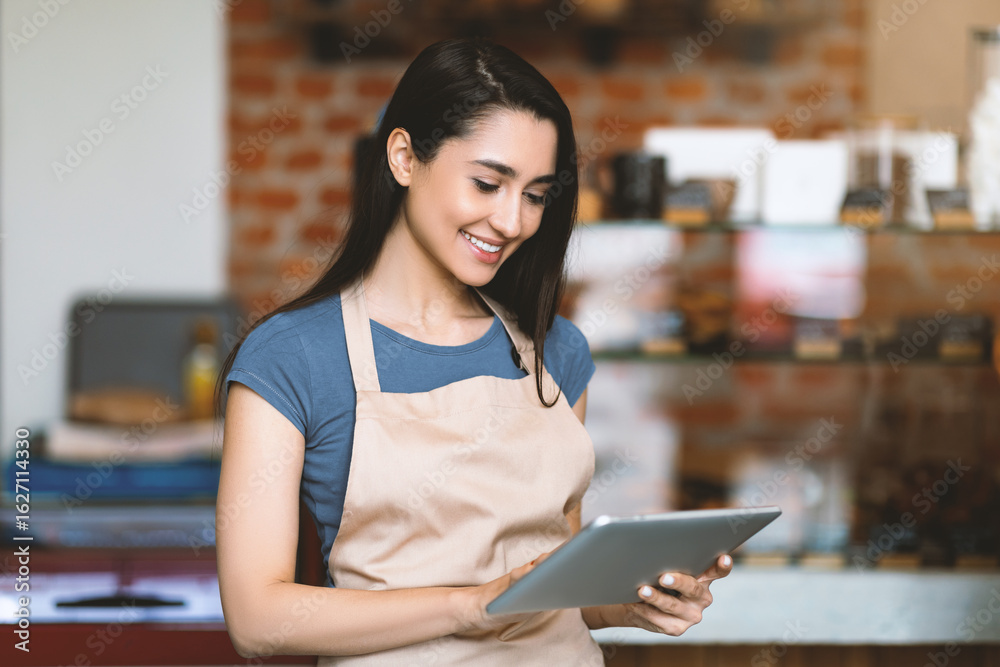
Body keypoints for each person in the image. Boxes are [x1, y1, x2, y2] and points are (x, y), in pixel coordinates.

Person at [214, 37, 732, 665]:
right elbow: (259, 619)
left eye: (536, 195)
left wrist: (631, 603)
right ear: (404, 157)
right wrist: (471, 604)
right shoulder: (292, 359)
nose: (512, 221)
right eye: (488, 183)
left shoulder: (554, 352)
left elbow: (552, 587)